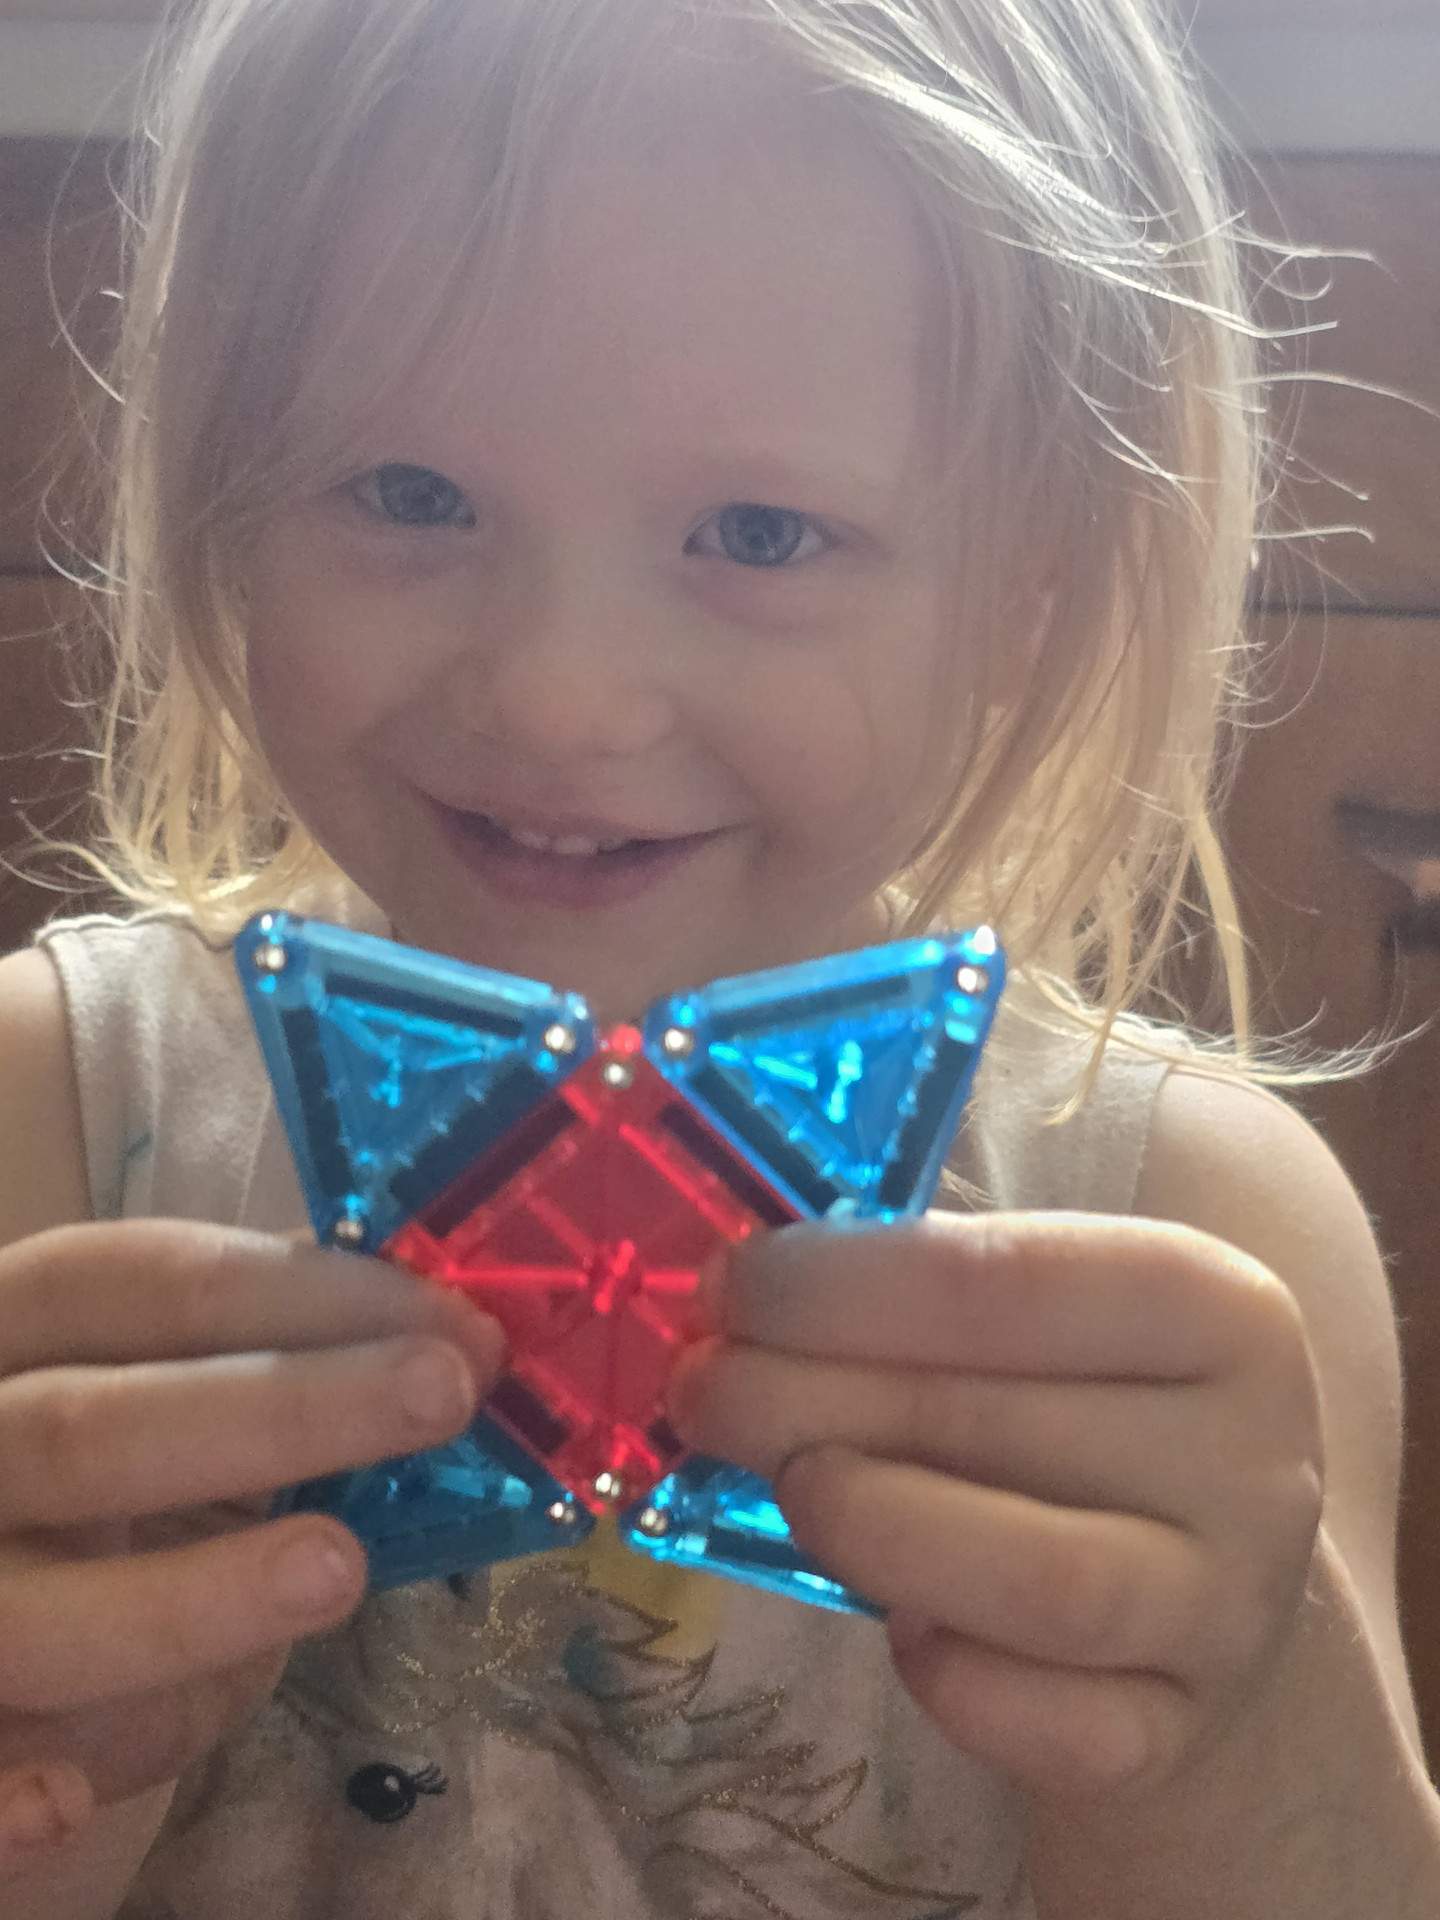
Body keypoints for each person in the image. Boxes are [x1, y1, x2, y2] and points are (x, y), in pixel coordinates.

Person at [1, 0, 1437, 1912]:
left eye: (759, 532)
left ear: (1032, 586)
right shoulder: (59, 1122)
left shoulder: (1192, 1233)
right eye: (410, 494)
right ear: (225, 501)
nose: (559, 694)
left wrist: (1246, 1727)